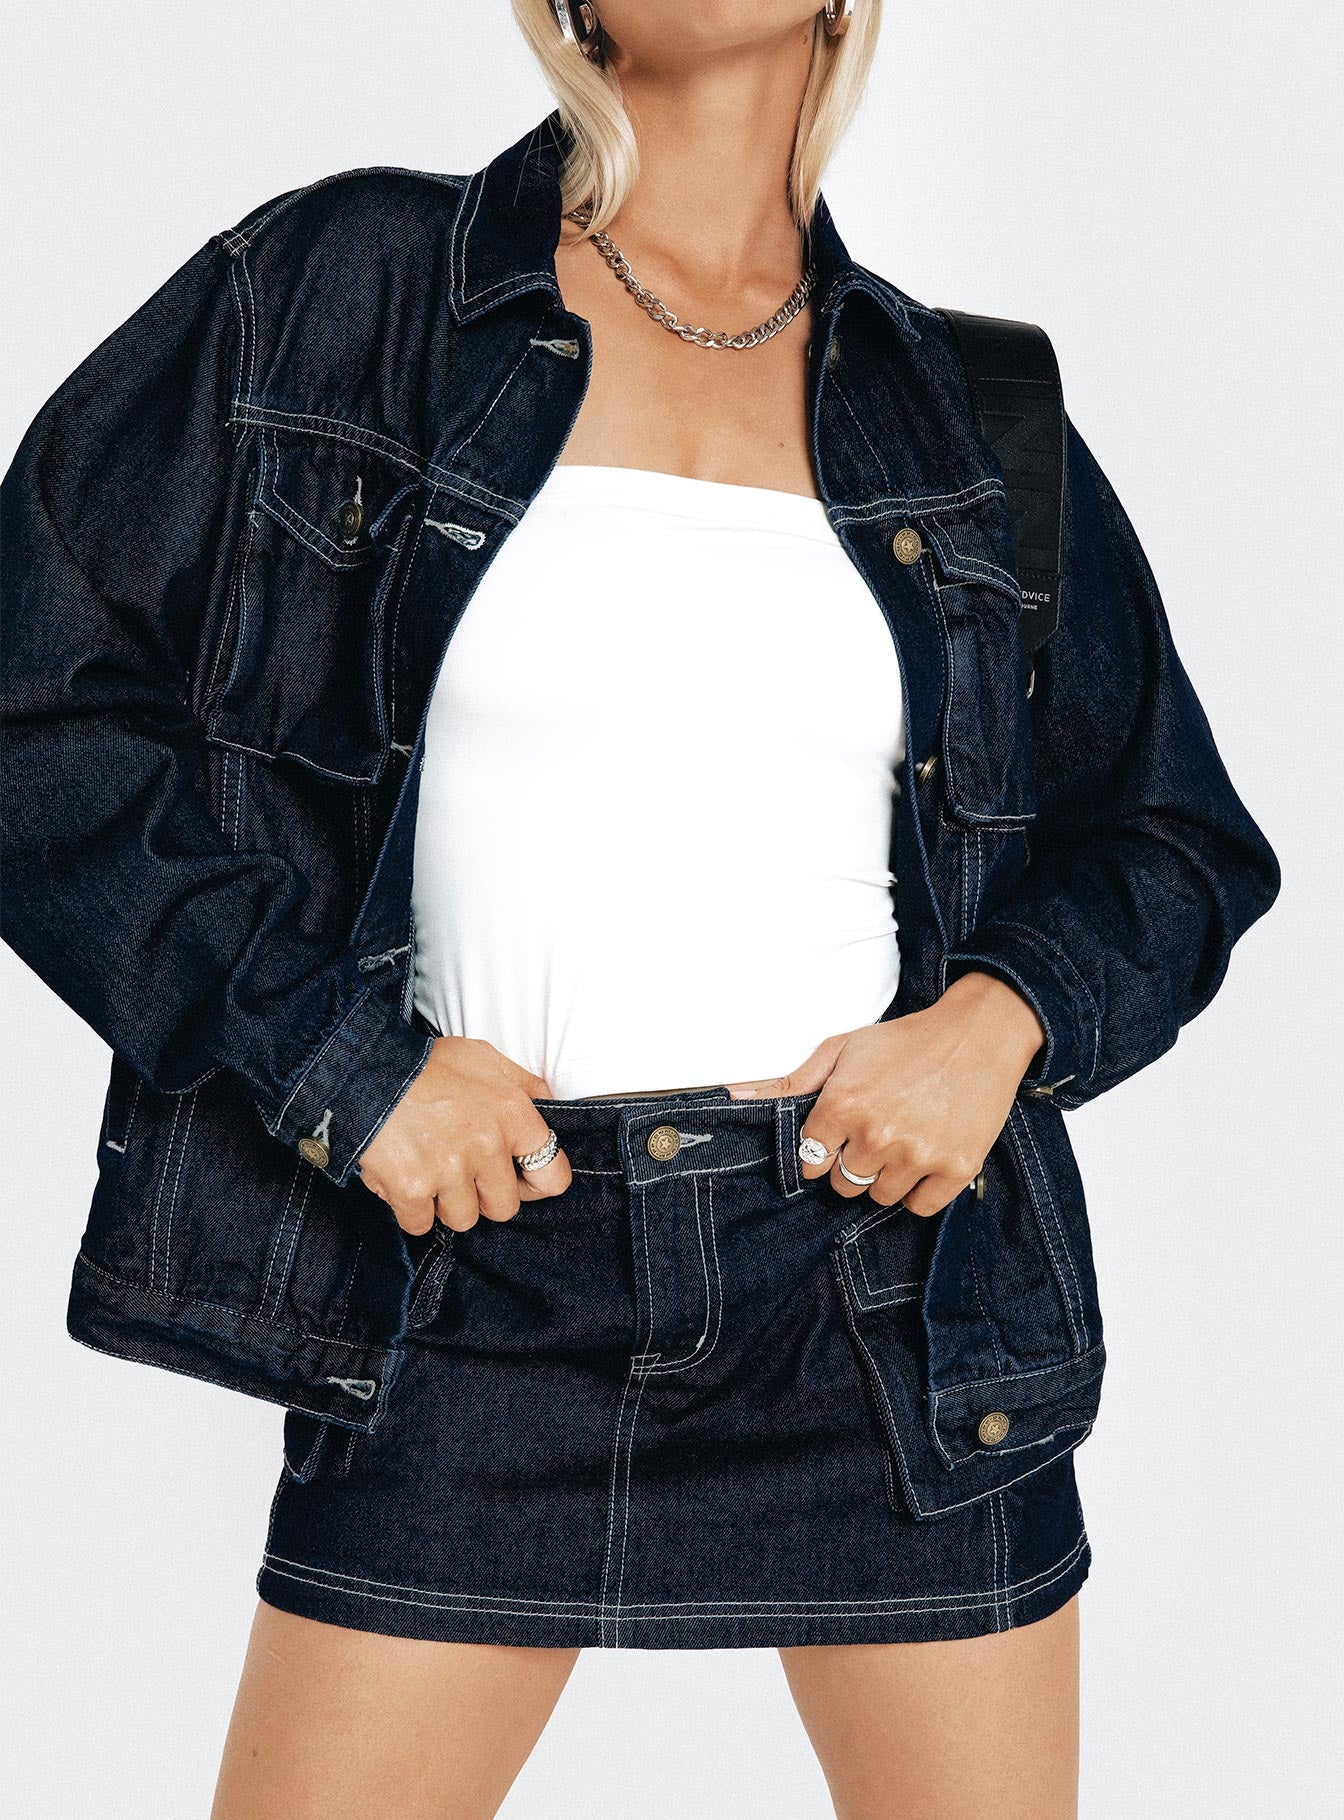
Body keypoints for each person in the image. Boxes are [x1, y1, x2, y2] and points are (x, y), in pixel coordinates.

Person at [0, 2, 1280, 1816]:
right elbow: (37, 702)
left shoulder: (958, 403)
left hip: (885, 1295)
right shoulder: (349, 291)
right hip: (473, 1268)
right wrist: (342, 1069)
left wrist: (995, 1026)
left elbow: (1172, 836)